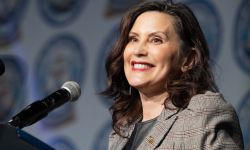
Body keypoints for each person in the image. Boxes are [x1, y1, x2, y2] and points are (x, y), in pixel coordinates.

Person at [102, 1, 244, 149]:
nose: (138, 50)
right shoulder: (121, 132)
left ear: (188, 59)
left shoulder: (202, 113)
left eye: (156, 40)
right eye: (133, 39)